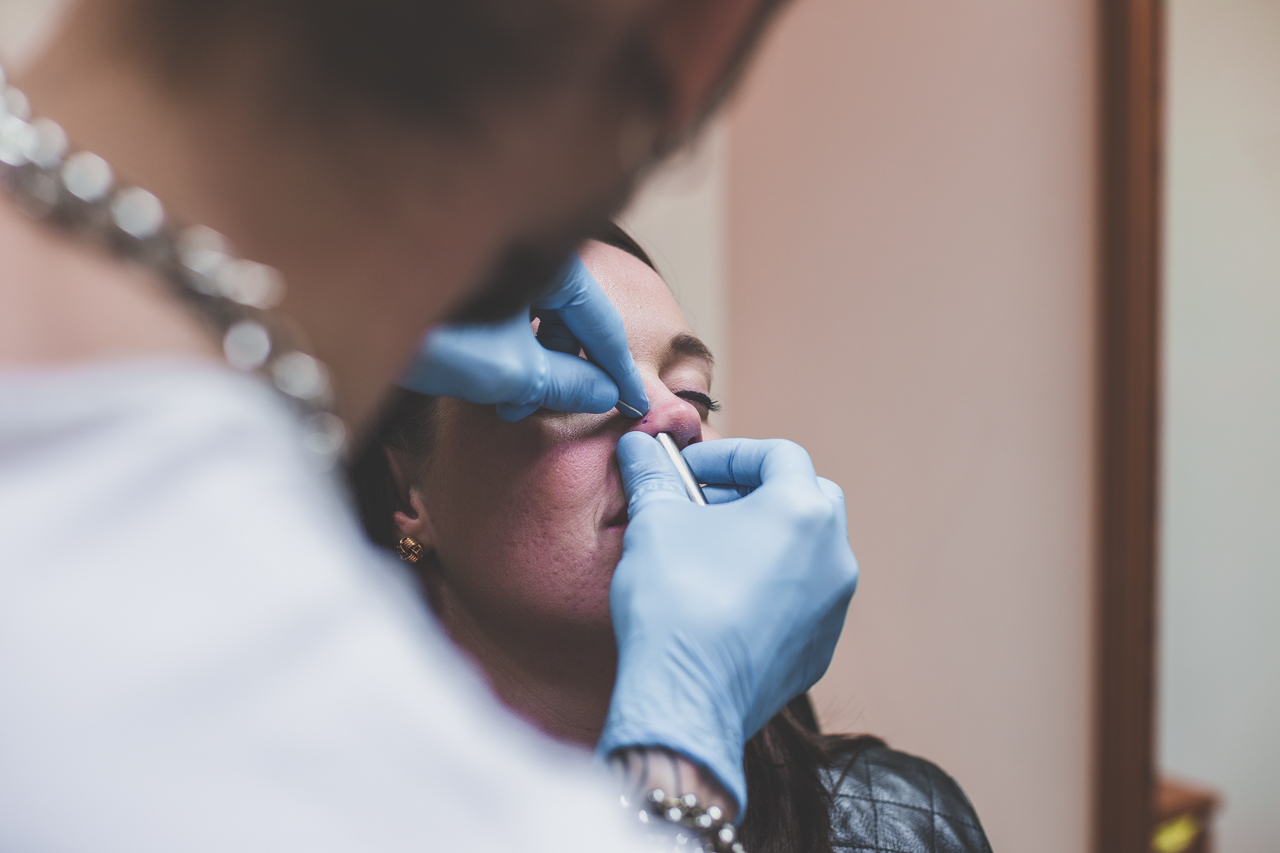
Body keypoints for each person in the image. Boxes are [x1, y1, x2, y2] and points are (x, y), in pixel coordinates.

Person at [0, 1, 861, 851]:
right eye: (580, 384)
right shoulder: (266, 737)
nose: (667, 416)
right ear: (701, 36)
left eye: (694, 392)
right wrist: (689, 735)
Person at [352, 224, 994, 853]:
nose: (676, 415)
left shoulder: (898, 825)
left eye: (693, 392)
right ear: (409, 495)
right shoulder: (317, 800)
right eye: (564, 388)